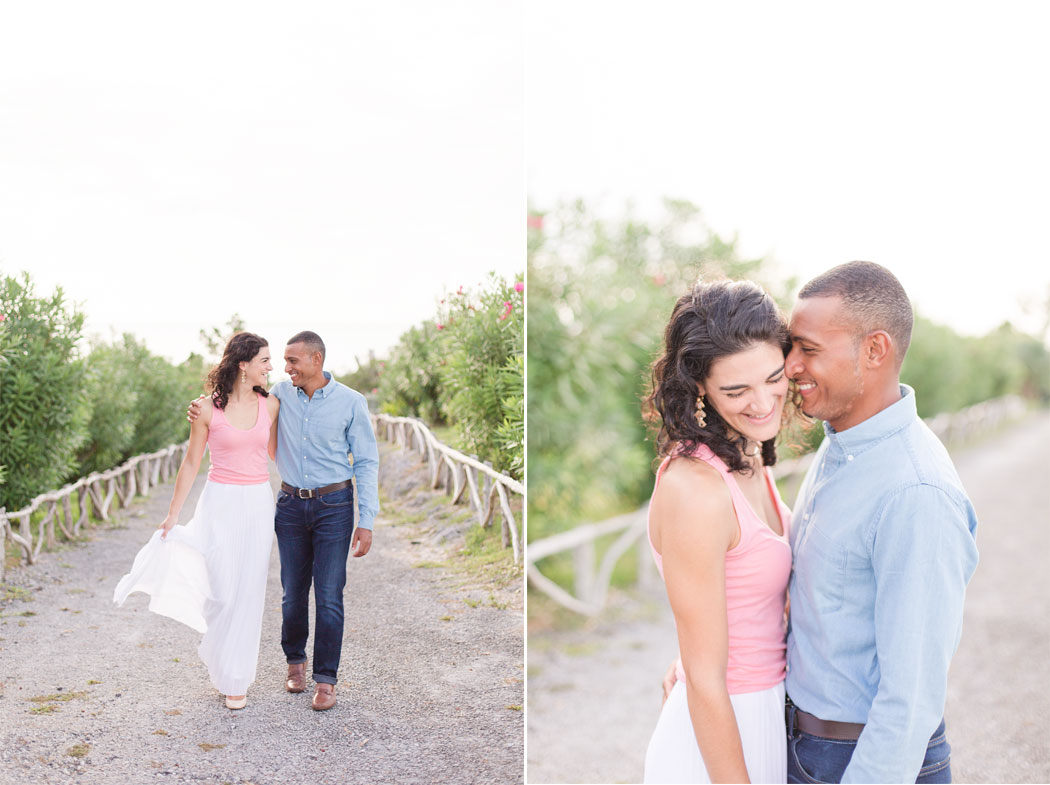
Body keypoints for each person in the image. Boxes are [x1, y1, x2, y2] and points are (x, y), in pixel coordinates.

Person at [663, 262, 980, 783]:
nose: (790, 367)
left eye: (807, 350)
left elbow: (912, 699)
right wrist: (702, 665)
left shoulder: (915, 491)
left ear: (875, 350)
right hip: (800, 742)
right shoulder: (842, 447)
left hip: (859, 759)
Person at [643, 279, 796, 783]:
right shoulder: (696, 487)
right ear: (699, 387)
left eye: (773, 378)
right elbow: (707, 679)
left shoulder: (748, 455)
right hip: (725, 732)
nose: (762, 402)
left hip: (766, 712)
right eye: (736, 390)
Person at [188, 330, 379, 711]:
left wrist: (367, 518)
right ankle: (295, 662)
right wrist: (203, 404)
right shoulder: (278, 395)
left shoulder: (351, 403)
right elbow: (236, 402)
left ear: (316, 360)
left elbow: (367, 461)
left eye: (293, 361)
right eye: (281, 361)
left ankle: (325, 680)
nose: (285, 368)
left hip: (335, 505)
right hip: (290, 505)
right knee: (292, 594)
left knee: (328, 595)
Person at [114, 332, 280, 710]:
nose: (270, 368)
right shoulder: (206, 409)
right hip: (218, 502)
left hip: (257, 503)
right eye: (265, 360)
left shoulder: (271, 405)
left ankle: (237, 679)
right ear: (243, 364)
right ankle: (222, 661)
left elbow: (280, 453)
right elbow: (191, 463)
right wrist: (173, 513)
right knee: (221, 588)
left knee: (249, 590)